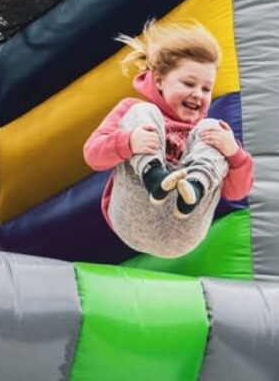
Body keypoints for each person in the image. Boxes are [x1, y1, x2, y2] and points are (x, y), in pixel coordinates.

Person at [83, 20, 253, 258]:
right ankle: (154, 174)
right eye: (189, 83)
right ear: (159, 80)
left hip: (184, 231)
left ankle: (195, 186)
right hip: (134, 216)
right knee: (141, 112)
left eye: (206, 89)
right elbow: (93, 155)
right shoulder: (137, 113)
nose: (198, 94)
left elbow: (236, 194)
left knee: (214, 130)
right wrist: (129, 142)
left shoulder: (204, 135)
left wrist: (234, 153)